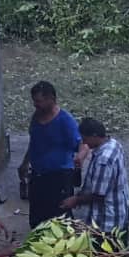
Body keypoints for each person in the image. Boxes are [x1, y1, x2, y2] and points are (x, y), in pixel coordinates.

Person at [18, 81, 81, 227]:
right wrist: (25, 163)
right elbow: (34, 142)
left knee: (60, 219)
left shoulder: (65, 121)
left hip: (60, 177)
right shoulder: (36, 117)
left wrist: (80, 159)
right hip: (38, 176)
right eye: (34, 101)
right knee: (37, 217)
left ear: (51, 99)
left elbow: (80, 144)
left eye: (39, 101)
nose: (35, 105)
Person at [63, 117, 129, 243]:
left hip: (107, 221)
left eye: (85, 138)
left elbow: (98, 195)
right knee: (119, 249)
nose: (84, 142)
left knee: (105, 252)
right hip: (119, 211)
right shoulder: (114, 144)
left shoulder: (103, 160)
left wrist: (76, 200)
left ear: (94, 136)